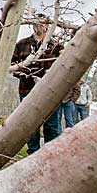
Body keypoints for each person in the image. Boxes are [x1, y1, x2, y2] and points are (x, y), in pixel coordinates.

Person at [11, 17, 64, 154]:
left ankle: (51, 154)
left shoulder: (56, 46)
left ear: (48, 26)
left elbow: (63, 67)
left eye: (42, 23)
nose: (39, 26)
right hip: (27, 88)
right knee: (29, 124)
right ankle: (32, 153)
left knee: (52, 125)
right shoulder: (22, 44)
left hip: (50, 91)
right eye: (36, 23)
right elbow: (12, 65)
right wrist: (24, 74)